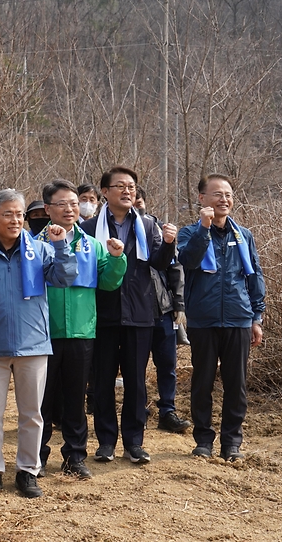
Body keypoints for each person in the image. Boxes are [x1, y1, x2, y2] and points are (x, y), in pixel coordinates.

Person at [0, 189, 77, 500]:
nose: (15, 220)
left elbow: (65, 277)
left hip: (33, 343)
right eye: (8, 214)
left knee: (32, 414)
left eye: (19, 214)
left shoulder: (38, 250)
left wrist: (61, 245)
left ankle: (28, 471)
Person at [80, 167, 176, 465]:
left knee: (136, 382)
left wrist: (170, 243)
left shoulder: (148, 225)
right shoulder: (89, 227)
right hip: (103, 313)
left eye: (131, 187)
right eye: (119, 186)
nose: (127, 191)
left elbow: (159, 263)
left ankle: (134, 442)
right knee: (103, 380)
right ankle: (106, 442)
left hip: (139, 313)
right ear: (105, 192)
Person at [37, 180, 126, 480]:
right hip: (42, 334)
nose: (70, 209)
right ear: (48, 209)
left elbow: (110, 282)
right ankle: (36, 456)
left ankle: (75, 457)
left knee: (76, 400)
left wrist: (116, 259)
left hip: (81, 331)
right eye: (62, 204)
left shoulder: (92, 244)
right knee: (42, 400)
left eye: (74, 203)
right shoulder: (34, 244)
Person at [177, 174, 265, 461]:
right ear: (202, 199)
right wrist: (204, 227)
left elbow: (255, 276)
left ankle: (232, 443)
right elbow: (188, 260)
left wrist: (257, 317)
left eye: (227, 194)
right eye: (216, 194)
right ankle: (203, 440)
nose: (223, 199)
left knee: (235, 384)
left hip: (239, 318)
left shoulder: (244, 236)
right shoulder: (190, 233)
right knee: (202, 382)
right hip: (204, 319)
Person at [139, 191, 192, 434]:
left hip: (162, 308)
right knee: (135, 366)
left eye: (139, 202)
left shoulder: (158, 230)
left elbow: (175, 269)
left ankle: (167, 411)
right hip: (134, 311)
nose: (136, 207)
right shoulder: (109, 231)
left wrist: (178, 305)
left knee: (167, 365)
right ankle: (138, 409)